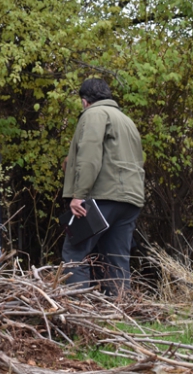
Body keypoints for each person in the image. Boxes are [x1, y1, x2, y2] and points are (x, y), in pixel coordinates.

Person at [61, 78, 145, 296]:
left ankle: (77, 311)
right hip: (130, 199)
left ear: (84, 101)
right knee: (115, 258)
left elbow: (90, 157)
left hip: (102, 196)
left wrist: (79, 195)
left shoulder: (94, 115)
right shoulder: (126, 120)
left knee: (75, 252)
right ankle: (119, 312)